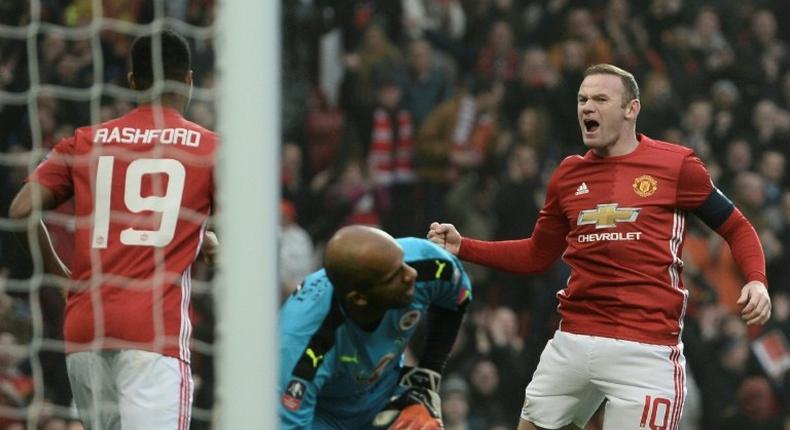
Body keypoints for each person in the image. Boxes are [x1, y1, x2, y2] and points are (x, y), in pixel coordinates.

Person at [428, 64, 771, 430]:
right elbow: (536, 255)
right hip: (573, 340)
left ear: (631, 109)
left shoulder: (677, 166)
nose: (587, 107)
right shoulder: (567, 174)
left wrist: (756, 279)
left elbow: (737, 226)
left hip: (645, 349)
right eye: (582, 99)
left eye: (600, 99)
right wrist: (464, 246)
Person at [8, 30, 217, 429]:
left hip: (86, 330)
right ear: (188, 79)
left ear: (133, 81)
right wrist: (211, 242)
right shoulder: (209, 148)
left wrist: (60, 275)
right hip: (154, 334)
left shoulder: (86, 140)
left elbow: (20, 210)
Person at [279, 225, 472, 429]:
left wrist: (426, 377)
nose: (411, 275)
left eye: (403, 262)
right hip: (322, 415)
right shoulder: (299, 348)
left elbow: (456, 299)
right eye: (395, 275)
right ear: (359, 299)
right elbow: (292, 422)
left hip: (384, 391)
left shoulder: (428, 262)